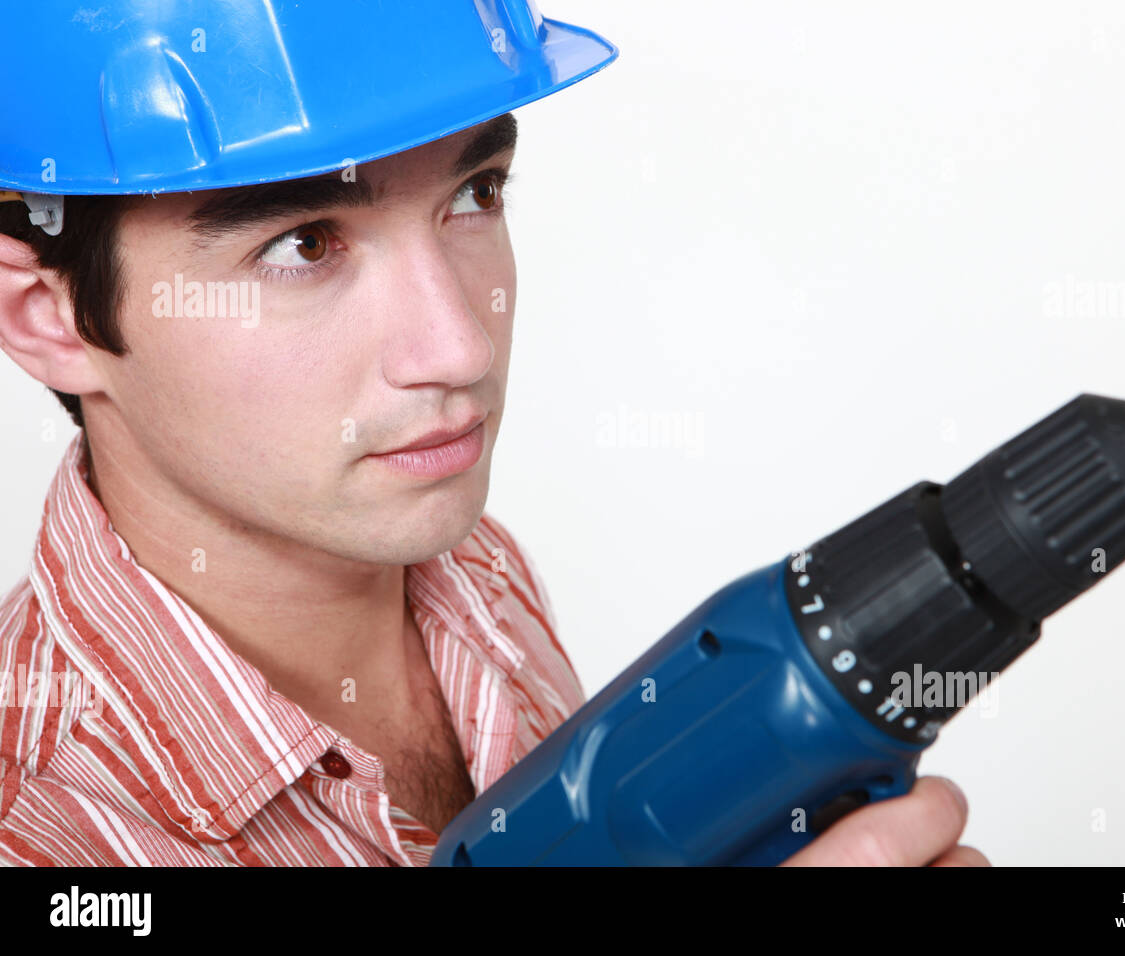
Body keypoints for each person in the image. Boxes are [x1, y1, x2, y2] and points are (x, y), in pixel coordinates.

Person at [0, 0, 985, 866]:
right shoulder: (38, 827)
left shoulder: (473, 569)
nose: (460, 346)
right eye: (305, 244)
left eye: (474, 193)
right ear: (49, 316)